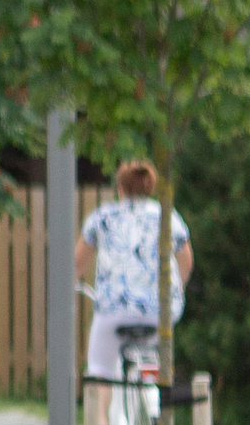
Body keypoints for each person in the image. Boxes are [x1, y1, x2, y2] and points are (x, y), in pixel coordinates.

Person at [77, 159, 191, 382]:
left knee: (100, 366)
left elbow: (76, 262)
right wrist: (179, 287)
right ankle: (153, 400)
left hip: (114, 309)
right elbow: (186, 261)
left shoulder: (103, 218)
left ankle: (100, 417)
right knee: (155, 355)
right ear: (151, 187)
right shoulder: (167, 216)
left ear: (120, 188)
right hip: (160, 311)